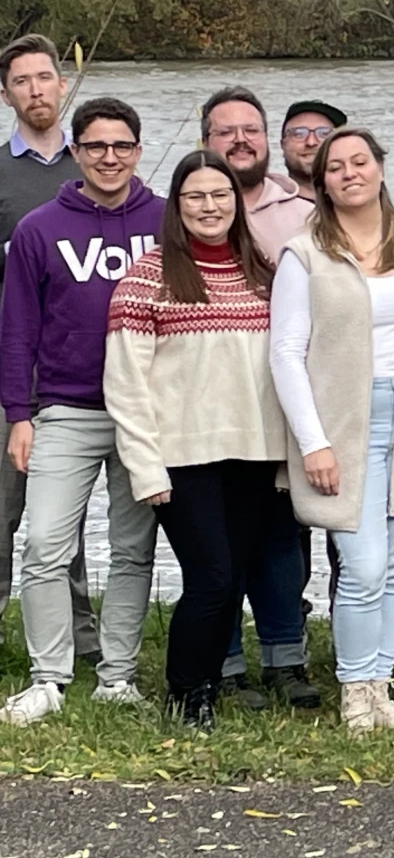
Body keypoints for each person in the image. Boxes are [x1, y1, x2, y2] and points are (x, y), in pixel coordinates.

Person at [270, 128, 394, 731]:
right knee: (362, 565)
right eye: (336, 167)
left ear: (381, 169)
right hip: (342, 427)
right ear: (323, 180)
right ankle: (355, 691)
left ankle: (382, 689)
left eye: (361, 162)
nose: (350, 173)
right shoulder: (304, 254)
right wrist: (314, 443)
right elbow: (285, 352)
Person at [103, 151, 286, 731]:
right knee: (209, 576)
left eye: (220, 196)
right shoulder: (147, 277)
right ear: (176, 207)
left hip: (255, 454)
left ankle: (207, 682)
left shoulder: (262, 273)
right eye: (196, 198)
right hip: (182, 457)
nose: (210, 207)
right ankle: (186, 695)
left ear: (237, 202)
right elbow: (125, 383)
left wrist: (288, 459)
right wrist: (145, 467)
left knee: (232, 578)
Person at [0, 97, 163, 725]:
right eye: (96, 146)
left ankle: (117, 675)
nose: (109, 157)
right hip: (62, 409)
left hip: (144, 415)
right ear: (76, 152)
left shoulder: (167, 221)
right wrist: (20, 412)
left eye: (121, 145)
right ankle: (48, 676)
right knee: (44, 542)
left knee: (132, 547)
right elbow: (18, 330)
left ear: (138, 152)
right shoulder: (39, 229)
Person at [199, 87, 323, 709]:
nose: (240, 140)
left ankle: (286, 660)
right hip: (209, 406)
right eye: (227, 132)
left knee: (280, 534)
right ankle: (223, 666)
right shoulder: (183, 210)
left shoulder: (300, 209)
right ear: (206, 142)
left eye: (251, 130)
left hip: (282, 402)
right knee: (217, 542)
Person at [0, 34, 97, 662]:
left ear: (63, 84)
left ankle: (81, 640)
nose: (36, 89)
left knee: (68, 523)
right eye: (22, 80)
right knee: (3, 513)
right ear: (6, 93)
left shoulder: (93, 166)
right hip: (9, 372)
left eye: (45, 77)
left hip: (75, 375)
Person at [280, 100, 346, 200]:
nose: (311, 142)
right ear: (282, 145)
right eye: (299, 134)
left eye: (324, 134)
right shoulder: (265, 205)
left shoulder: (363, 203)